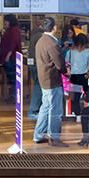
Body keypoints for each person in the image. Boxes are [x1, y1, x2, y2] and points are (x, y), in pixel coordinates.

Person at [33, 17, 67, 146]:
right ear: (55, 27)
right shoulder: (52, 43)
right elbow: (59, 64)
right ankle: (54, 137)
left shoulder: (41, 41)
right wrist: (66, 71)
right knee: (55, 110)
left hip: (44, 79)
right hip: (52, 80)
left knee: (45, 107)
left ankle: (38, 135)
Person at [64, 31, 89, 113]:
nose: (81, 47)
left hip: (79, 76)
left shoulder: (71, 52)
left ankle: (78, 113)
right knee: (79, 97)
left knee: (78, 97)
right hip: (78, 76)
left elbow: (67, 64)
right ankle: (79, 113)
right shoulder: (87, 51)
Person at [0, 14, 22, 91]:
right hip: (8, 57)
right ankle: (12, 93)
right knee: (11, 78)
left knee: (12, 78)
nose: (4, 22)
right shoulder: (9, 30)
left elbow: (13, 43)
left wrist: (8, 55)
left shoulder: (14, 30)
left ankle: (14, 94)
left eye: (6, 21)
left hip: (11, 58)